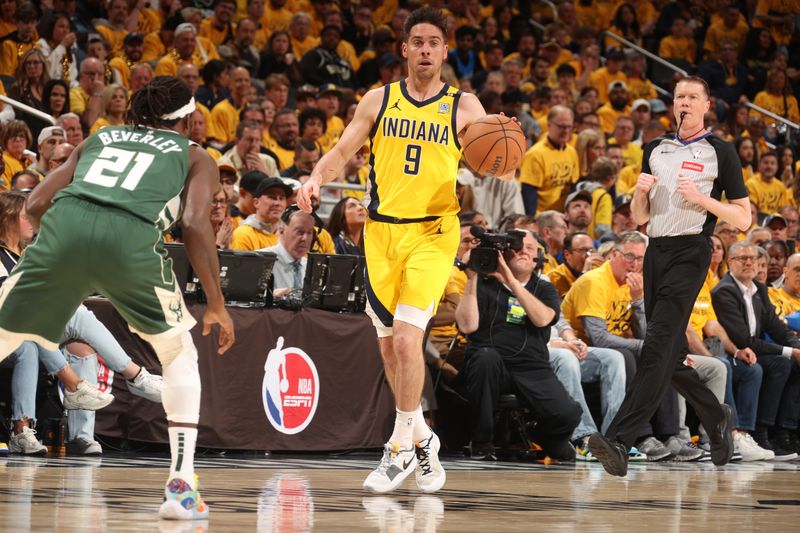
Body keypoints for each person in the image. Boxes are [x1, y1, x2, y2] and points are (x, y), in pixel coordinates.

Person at [297, 6, 514, 494]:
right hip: (382, 236)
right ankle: (423, 437)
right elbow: (341, 151)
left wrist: (498, 155)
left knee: (405, 339)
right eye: (417, 42)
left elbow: (491, 162)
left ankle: (396, 449)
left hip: (434, 235)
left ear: (443, 50)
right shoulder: (379, 99)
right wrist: (315, 178)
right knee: (390, 352)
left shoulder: (464, 106)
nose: (425, 50)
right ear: (404, 50)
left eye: (434, 42)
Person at [0, 77, 235, 519]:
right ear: (186, 119)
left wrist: (64, 251)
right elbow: (195, 223)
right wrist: (217, 304)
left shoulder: (100, 135)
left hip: (65, 228)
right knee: (178, 354)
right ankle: (182, 492)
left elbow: (33, 205)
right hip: (131, 243)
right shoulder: (193, 155)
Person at [588, 76, 751, 476]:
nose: (686, 102)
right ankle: (715, 415)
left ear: (707, 104)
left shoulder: (721, 152)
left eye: (694, 96)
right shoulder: (655, 149)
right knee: (670, 354)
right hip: (655, 250)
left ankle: (620, 440)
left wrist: (703, 200)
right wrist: (639, 195)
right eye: (680, 96)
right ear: (673, 104)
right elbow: (641, 218)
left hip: (692, 250)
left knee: (657, 346)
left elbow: (744, 218)